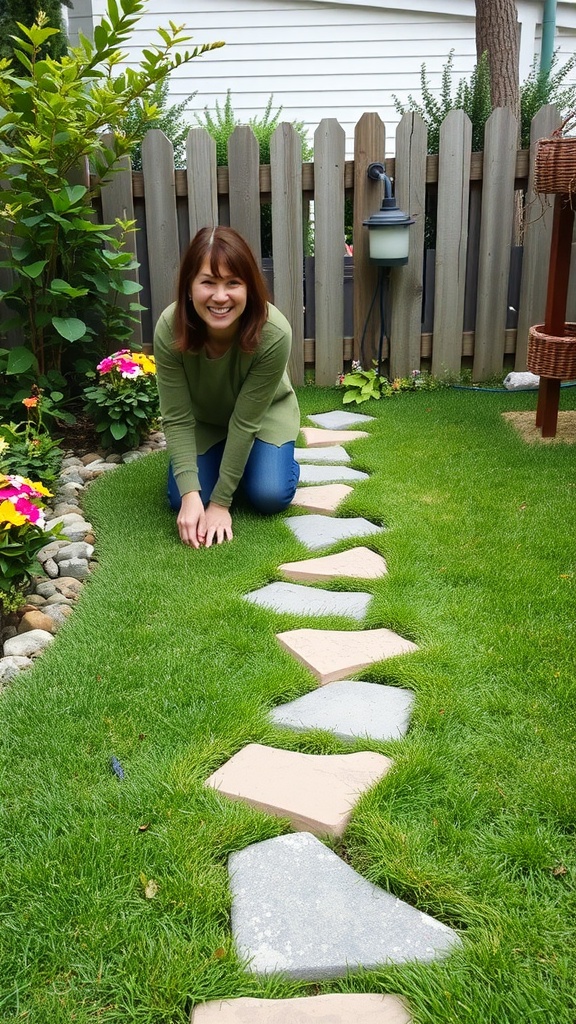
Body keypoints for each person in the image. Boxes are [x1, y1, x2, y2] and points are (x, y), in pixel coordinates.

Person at [154, 226, 301, 548]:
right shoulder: (169, 327)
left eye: (233, 283)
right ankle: (230, 463)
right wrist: (192, 497)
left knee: (268, 495)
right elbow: (176, 418)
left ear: (250, 288)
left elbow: (246, 421)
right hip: (204, 420)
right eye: (208, 282)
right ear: (189, 288)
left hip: (264, 417)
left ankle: (277, 459)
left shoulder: (274, 332)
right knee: (181, 501)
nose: (220, 297)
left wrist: (220, 503)